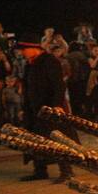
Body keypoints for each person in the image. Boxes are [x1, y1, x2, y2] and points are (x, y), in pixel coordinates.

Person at [23, 42, 76, 181]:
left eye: (25, 49)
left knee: (57, 138)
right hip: (35, 108)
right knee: (35, 139)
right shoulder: (30, 64)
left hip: (51, 107)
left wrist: (57, 104)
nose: (23, 52)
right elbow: (27, 87)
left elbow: (59, 84)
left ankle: (66, 171)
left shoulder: (50, 61)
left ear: (34, 48)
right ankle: (40, 170)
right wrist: (26, 107)